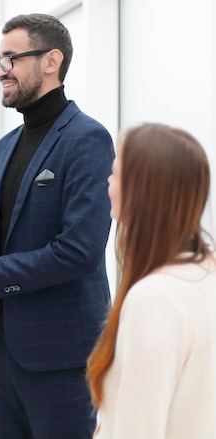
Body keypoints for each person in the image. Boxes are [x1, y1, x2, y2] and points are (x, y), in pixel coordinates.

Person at [0, 13, 115, 438]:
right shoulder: (3, 148)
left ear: (51, 60)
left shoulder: (88, 139)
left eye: (11, 58)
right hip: (0, 351)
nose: (1, 70)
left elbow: (80, 251)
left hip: (61, 356)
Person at [87, 123, 216, 438]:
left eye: (115, 173)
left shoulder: (153, 299)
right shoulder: (205, 270)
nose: (108, 181)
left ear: (142, 190)